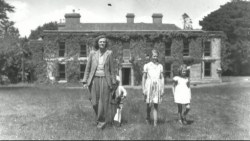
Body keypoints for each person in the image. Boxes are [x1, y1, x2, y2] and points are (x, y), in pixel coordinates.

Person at [82, 35, 116, 130]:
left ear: (106, 43)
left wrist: (113, 82)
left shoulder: (109, 54)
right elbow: (87, 68)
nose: (102, 43)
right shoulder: (93, 54)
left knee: (104, 102)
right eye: (100, 42)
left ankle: (101, 123)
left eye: (104, 42)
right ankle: (100, 118)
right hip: (94, 79)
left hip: (105, 79)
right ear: (97, 43)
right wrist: (85, 80)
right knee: (94, 102)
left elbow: (112, 69)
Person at [142, 49, 164, 127]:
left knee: (156, 105)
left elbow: (162, 78)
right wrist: (143, 88)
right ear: (151, 56)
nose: (155, 57)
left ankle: (155, 123)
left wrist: (162, 89)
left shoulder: (160, 66)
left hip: (157, 86)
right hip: (149, 86)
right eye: (154, 56)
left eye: (156, 56)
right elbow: (144, 77)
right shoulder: (147, 65)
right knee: (149, 105)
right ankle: (148, 117)